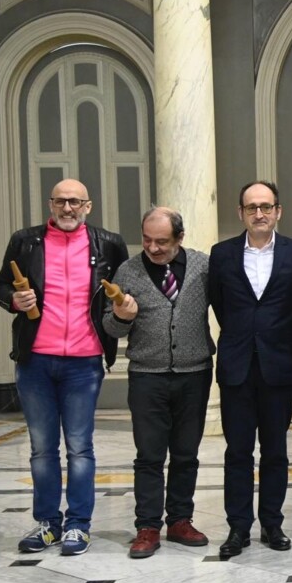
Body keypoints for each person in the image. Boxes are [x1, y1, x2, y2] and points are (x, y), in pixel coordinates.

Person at [0, 178, 129, 556]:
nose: (67, 209)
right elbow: (1, 286)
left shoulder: (109, 244)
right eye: (60, 202)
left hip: (84, 361)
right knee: (41, 448)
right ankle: (48, 524)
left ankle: (78, 526)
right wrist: (14, 300)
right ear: (50, 205)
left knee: (80, 446)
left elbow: (119, 291)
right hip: (35, 359)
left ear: (88, 205)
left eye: (75, 202)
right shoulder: (25, 241)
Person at [104, 207, 215, 559]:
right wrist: (122, 318)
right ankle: (147, 526)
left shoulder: (202, 266)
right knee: (149, 455)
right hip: (146, 375)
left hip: (194, 372)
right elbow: (110, 326)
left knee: (186, 452)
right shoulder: (128, 270)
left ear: (180, 238)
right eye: (147, 240)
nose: (153, 248)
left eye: (162, 242)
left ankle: (180, 519)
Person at [209, 181, 292, 559]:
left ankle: (272, 522)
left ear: (278, 212)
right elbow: (221, 306)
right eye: (251, 207)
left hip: (279, 365)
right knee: (237, 452)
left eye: (266, 206)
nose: (259, 213)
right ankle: (238, 528)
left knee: (275, 450)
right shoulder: (220, 255)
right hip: (236, 365)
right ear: (241, 213)